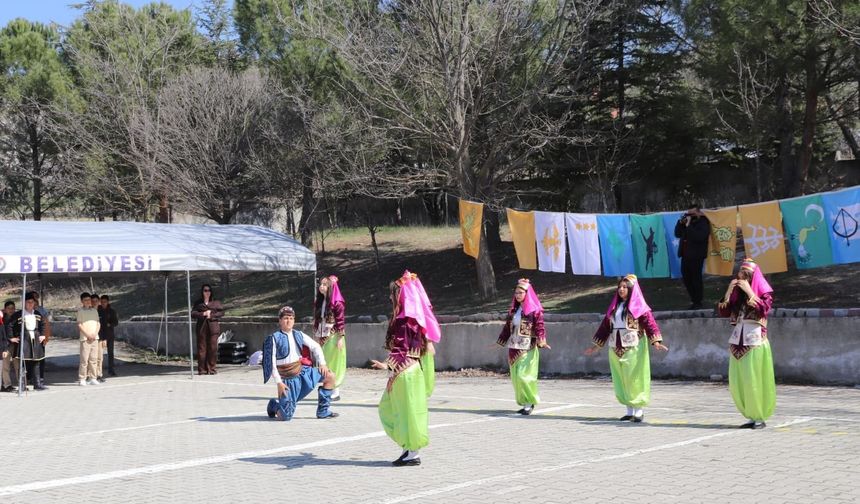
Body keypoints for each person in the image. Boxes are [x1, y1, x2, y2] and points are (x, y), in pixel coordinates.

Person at [371, 270, 441, 466]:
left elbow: (402, 347)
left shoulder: (404, 319)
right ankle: (409, 449)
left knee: (397, 410)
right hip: (411, 371)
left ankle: (412, 451)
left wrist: (387, 364)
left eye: (392, 293)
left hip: (404, 372)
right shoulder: (412, 318)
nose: (390, 297)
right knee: (404, 411)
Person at [585, 274, 668, 422]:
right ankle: (629, 410)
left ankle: (638, 410)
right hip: (615, 347)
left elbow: (650, 323)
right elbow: (605, 327)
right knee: (621, 379)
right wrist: (596, 346)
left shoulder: (639, 307)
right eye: (620, 287)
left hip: (633, 347)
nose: (621, 290)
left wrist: (655, 341)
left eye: (625, 287)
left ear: (631, 290)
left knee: (634, 378)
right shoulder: (614, 307)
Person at [717, 258, 776, 429]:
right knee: (739, 381)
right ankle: (750, 415)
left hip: (755, 341)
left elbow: (764, 310)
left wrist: (751, 292)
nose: (743, 278)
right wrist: (729, 291)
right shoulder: (737, 295)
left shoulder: (763, 293)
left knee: (754, 380)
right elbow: (724, 311)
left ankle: (759, 416)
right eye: (741, 275)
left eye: (747, 275)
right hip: (737, 342)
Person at [262, 305, 338, 421]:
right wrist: (279, 383)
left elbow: (316, 346)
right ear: (280, 320)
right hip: (287, 381)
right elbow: (271, 364)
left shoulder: (298, 334)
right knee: (285, 417)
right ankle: (273, 405)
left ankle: (323, 411)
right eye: (286, 318)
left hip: (303, 373)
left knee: (330, 376)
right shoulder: (273, 338)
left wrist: (322, 363)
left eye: (291, 318)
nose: (289, 321)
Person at [496, 278, 550, 415]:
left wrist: (542, 340)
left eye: (521, 293)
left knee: (523, 376)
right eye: (516, 293)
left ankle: (530, 402)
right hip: (513, 347)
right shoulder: (514, 311)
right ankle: (524, 402)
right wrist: (500, 341)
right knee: (515, 377)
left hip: (527, 347)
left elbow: (540, 327)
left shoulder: (534, 311)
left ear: (527, 294)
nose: (518, 295)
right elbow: (507, 329)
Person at [312, 275, 346, 401]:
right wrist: (315, 335)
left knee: (333, 363)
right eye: (321, 284)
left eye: (325, 284)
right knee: (324, 362)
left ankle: (335, 390)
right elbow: (317, 320)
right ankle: (328, 387)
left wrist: (340, 338)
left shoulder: (337, 303)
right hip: (321, 336)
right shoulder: (319, 302)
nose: (321, 287)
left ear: (331, 287)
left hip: (333, 336)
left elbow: (341, 321)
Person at [7, 293, 47, 390]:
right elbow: (10, 326)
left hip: (36, 338)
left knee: (36, 362)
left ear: (34, 303)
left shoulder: (37, 313)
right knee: (22, 363)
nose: (30, 304)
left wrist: (42, 334)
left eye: (32, 302)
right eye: (28, 302)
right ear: (24, 303)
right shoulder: (18, 314)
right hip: (24, 339)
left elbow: (43, 324)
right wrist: (11, 337)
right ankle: (22, 385)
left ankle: (37, 384)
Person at [674, 203, 711, 309]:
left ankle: (698, 301)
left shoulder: (703, 222)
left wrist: (689, 226)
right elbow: (677, 234)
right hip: (685, 255)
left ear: (699, 212)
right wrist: (680, 223)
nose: (690, 216)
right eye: (689, 214)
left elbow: (699, 237)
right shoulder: (686, 222)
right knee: (686, 278)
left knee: (696, 278)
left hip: (697, 255)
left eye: (693, 214)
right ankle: (693, 300)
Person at [191, 284, 224, 375]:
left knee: (213, 348)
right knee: (202, 349)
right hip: (202, 328)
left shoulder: (216, 302)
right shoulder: (198, 303)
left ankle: (212, 369)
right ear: (202, 292)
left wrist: (212, 315)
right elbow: (193, 314)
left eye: (209, 290)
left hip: (213, 328)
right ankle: (202, 369)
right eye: (205, 290)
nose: (207, 292)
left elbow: (221, 313)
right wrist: (203, 314)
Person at [76, 292, 101, 386]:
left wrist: (95, 334)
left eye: (89, 300)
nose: (88, 301)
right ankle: (82, 378)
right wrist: (87, 335)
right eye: (85, 300)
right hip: (85, 339)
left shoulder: (94, 311)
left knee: (94, 359)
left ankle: (93, 378)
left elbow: (98, 323)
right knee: (84, 360)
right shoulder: (80, 311)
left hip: (95, 338)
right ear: (82, 301)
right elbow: (79, 324)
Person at [31, 292, 51, 388]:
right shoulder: (26, 311)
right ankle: (30, 378)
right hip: (30, 339)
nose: (36, 300)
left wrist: (46, 337)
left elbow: (46, 325)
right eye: (34, 298)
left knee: (40, 359)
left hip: (40, 338)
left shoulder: (42, 310)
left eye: (36, 297)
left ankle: (40, 379)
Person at [99, 294, 120, 377]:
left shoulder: (112, 311)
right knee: (99, 354)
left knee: (110, 353)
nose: (103, 303)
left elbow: (116, 322)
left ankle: (111, 370)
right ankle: (98, 372)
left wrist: (110, 324)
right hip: (100, 334)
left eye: (105, 302)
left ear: (108, 302)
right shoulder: (98, 310)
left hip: (109, 335)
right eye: (102, 302)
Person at [1, 301, 17, 392]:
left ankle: (21, 383)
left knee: (17, 365)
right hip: (6, 346)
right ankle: (7, 385)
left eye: (12, 308)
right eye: (9, 308)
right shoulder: (2, 320)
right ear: (5, 309)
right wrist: (9, 339)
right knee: (5, 366)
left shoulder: (17, 318)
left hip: (15, 345)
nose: (11, 310)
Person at [90, 293, 106, 383]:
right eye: (93, 301)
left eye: (96, 301)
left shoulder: (102, 311)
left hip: (100, 338)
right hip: (91, 338)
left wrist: (104, 339)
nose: (95, 302)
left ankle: (99, 374)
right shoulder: (88, 311)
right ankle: (91, 375)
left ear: (99, 301)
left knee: (100, 357)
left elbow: (104, 327)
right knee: (91, 358)